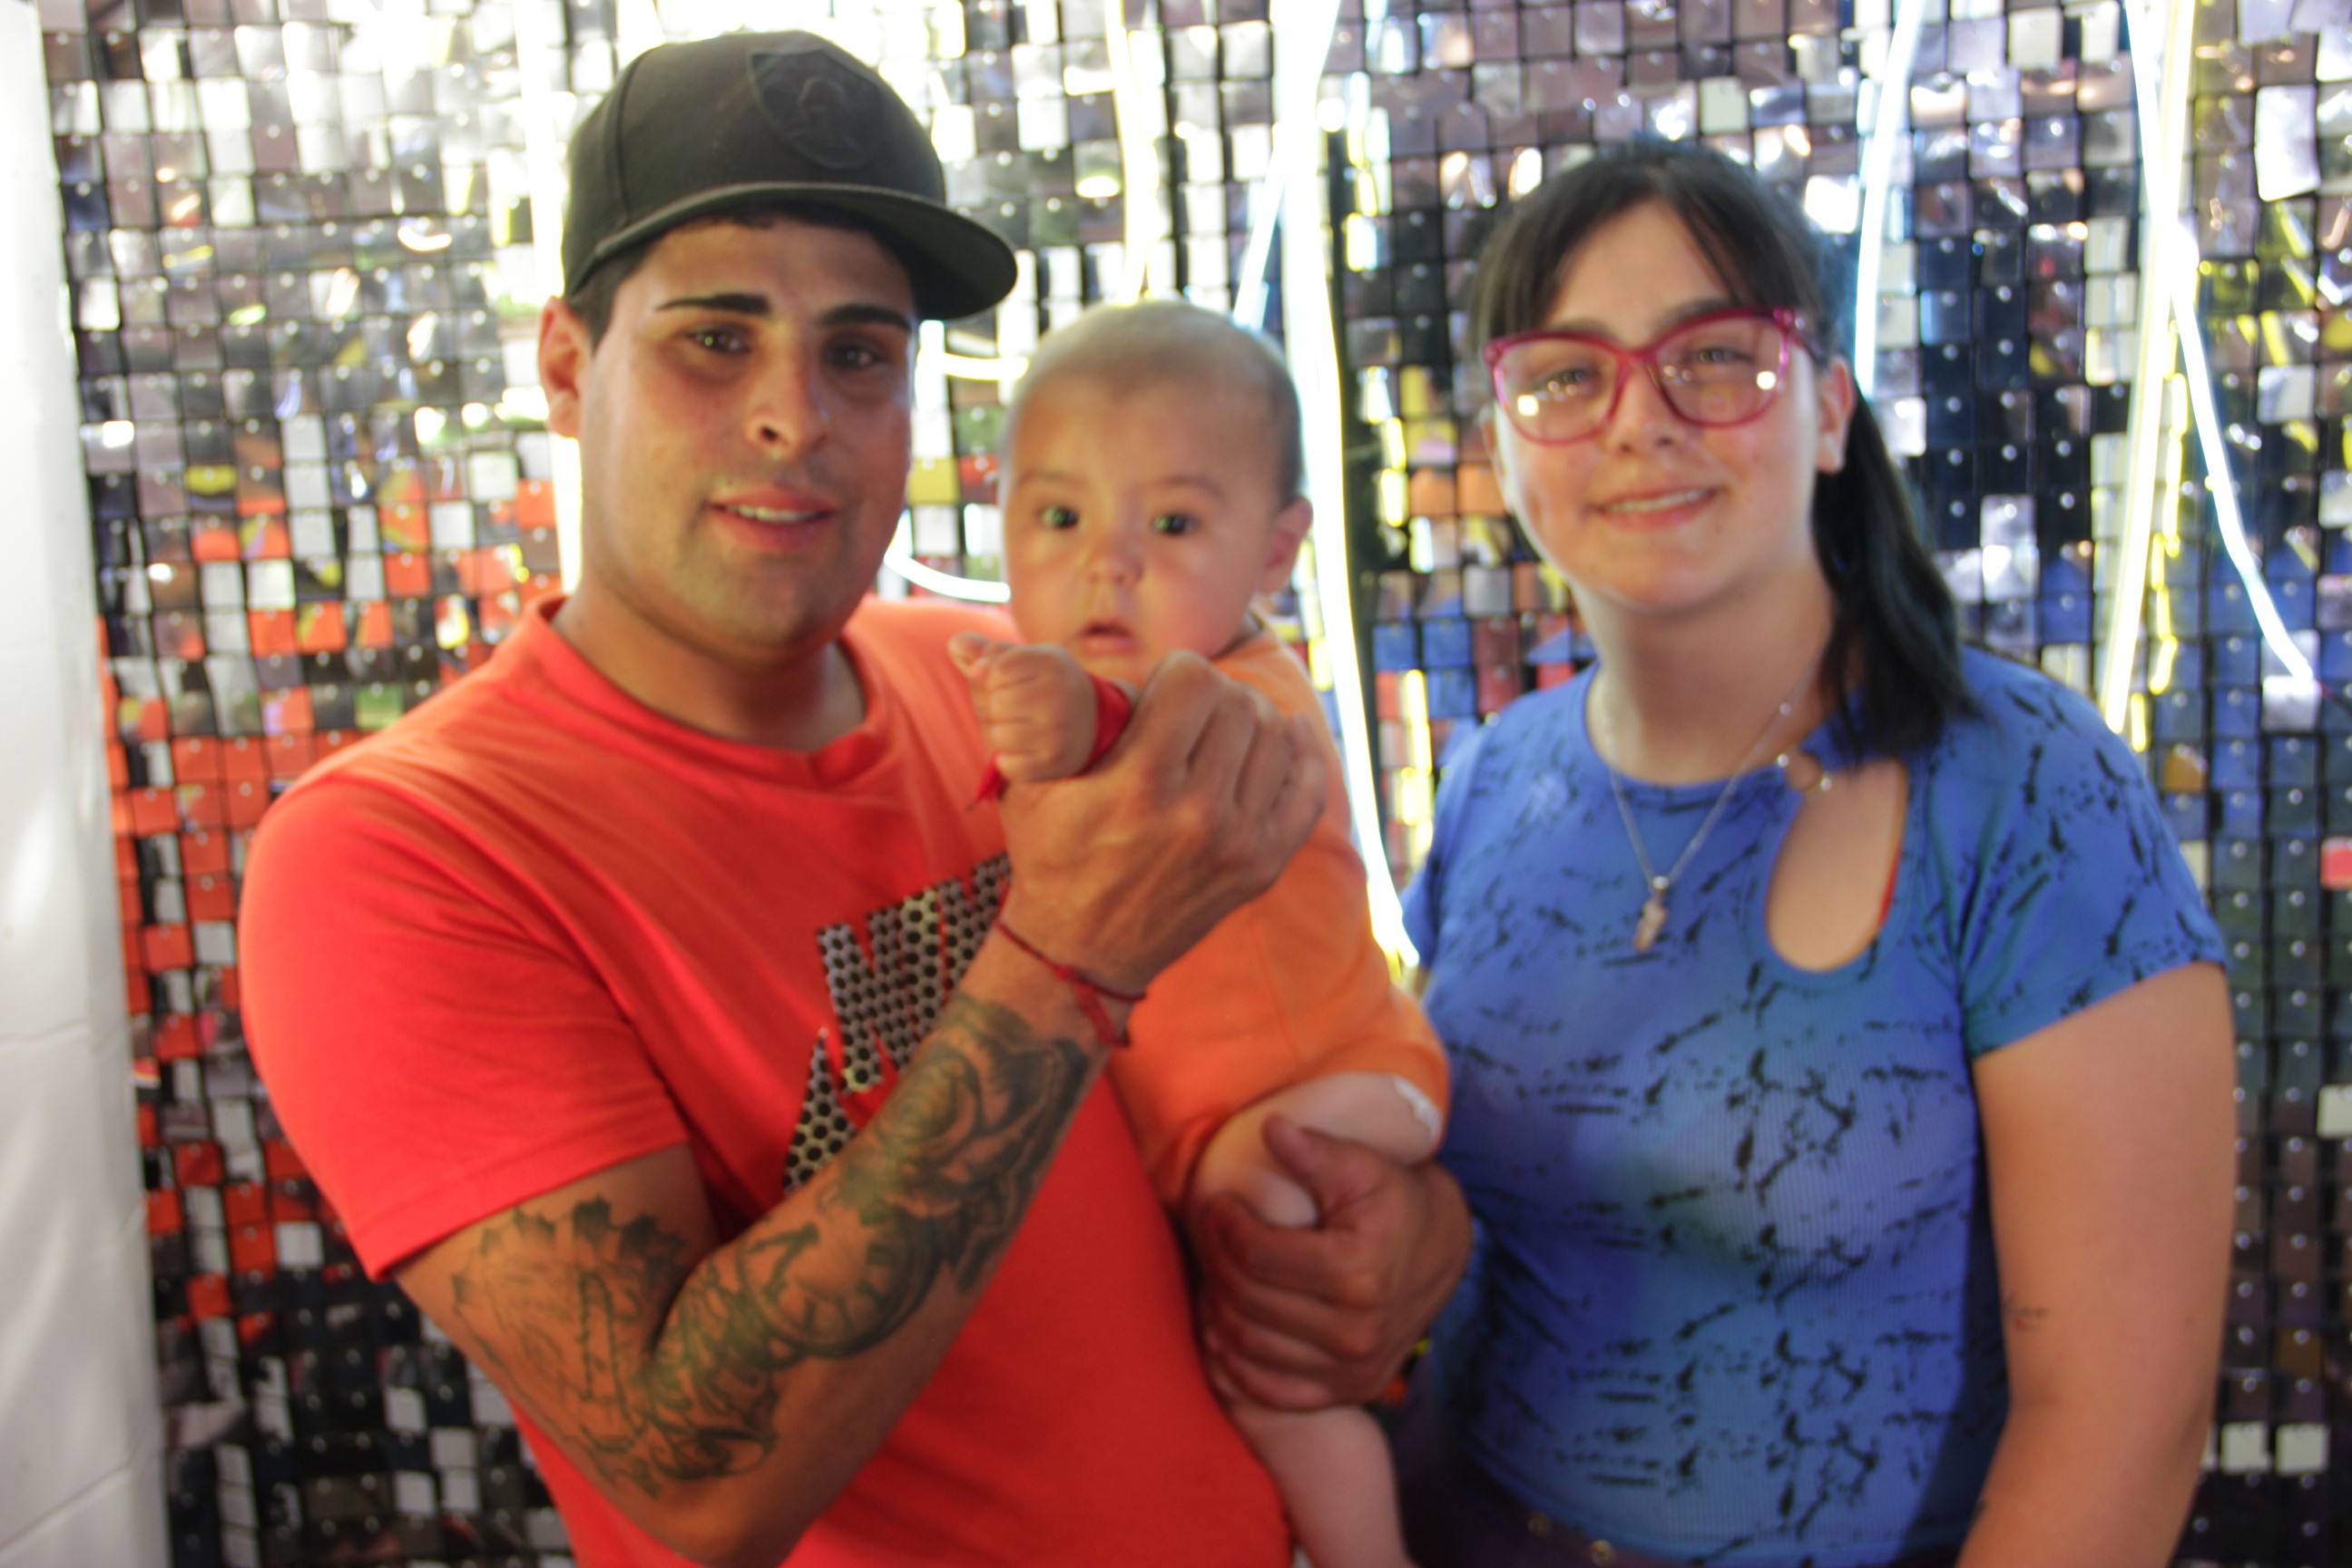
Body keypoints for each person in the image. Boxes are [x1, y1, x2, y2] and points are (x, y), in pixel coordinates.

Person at [235, 31, 1467, 1568]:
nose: (795, 416)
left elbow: (1282, 1043)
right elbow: (699, 1478)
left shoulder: (1002, 684)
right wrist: (1068, 958)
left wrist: (1400, 1237)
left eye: (860, 354)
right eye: (715, 339)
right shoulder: (398, 854)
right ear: (565, 367)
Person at [1392, 141, 2234, 1568]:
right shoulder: (1495, 780)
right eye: (1568, 375)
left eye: (1713, 359)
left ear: (1829, 410)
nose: (1639, 421)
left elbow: (2120, 1426)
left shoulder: (2025, 790)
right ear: (1505, 443)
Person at [958, 299, 1452, 1568]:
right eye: (1058, 519)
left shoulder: (1250, 700)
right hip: (1210, 1133)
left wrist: (1066, 713)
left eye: (1172, 525)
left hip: (1343, 1090)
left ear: (1277, 552)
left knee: (1272, 1380)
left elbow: (1153, 741)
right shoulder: (1021, 683)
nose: (1107, 566)